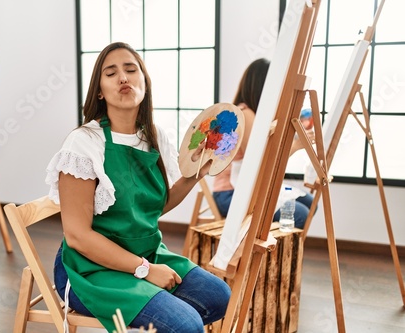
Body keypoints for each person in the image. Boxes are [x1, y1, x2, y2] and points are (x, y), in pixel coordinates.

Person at [46, 42, 231, 333]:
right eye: (111, 73)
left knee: (219, 297)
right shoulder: (84, 143)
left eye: (131, 70)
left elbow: (157, 204)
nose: (123, 77)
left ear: (144, 81)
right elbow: (78, 236)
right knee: (186, 325)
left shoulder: (154, 136)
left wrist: (197, 173)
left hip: (145, 252)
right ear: (99, 90)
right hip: (90, 268)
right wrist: (144, 270)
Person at [212, 58, 316, 229]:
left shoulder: (253, 113)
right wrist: (295, 146)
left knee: (310, 203)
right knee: (300, 214)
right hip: (230, 193)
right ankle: (270, 255)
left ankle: (274, 253)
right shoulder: (245, 113)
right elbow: (260, 162)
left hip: (245, 189)